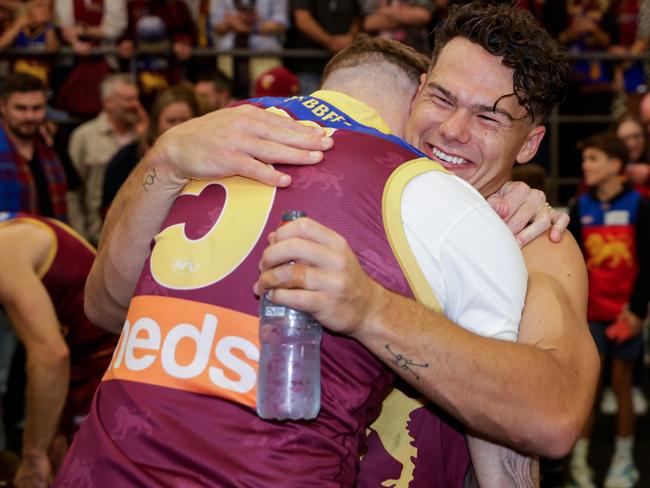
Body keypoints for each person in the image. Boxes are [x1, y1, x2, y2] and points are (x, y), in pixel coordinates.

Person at [77, 3, 596, 484]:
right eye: (441, 98)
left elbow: (553, 414)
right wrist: (165, 157)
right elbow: (106, 307)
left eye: (488, 117)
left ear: (529, 144)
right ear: (416, 91)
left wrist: (371, 309)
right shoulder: (319, 185)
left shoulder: (533, 237)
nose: (453, 130)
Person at [0, 212, 118, 488]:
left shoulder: (5, 252)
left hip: (104, 364)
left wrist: (32, 455)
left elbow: (51, 356)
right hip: (88, 358)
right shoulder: (16, 230)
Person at [567, 133, 649, 488]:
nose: (586, 166)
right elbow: (572, 265)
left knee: (622, 383)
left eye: (593, 159)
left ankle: (623, 459)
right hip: (590, 316)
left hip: (625, 316)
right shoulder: (579, 207)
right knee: (589, 387)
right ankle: (579, 462)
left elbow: (647, 264)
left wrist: (636, 312)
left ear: (616, 165)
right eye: (585, 160)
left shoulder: (640, 205)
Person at [67, 74, 144, 244]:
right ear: (109, 102)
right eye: (128, 99)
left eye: (137, 98)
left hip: (137, 236)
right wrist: (79, 236)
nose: (136, 105)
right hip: (97, 235)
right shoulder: (84, 136)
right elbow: (73, 192)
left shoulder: (143, 137)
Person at [101, 85, 199, 211]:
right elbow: (110, 210)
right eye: (171, 121)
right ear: (156, 123)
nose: (178, 127)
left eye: (184, 120)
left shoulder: (204, 158)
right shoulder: (126, 158)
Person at [0, 72, 67, 221]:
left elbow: (73, 187)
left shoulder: (48, 146)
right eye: (20, 108)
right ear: (3, 106)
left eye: (36, 108)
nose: (29, 116)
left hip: (50, 238)